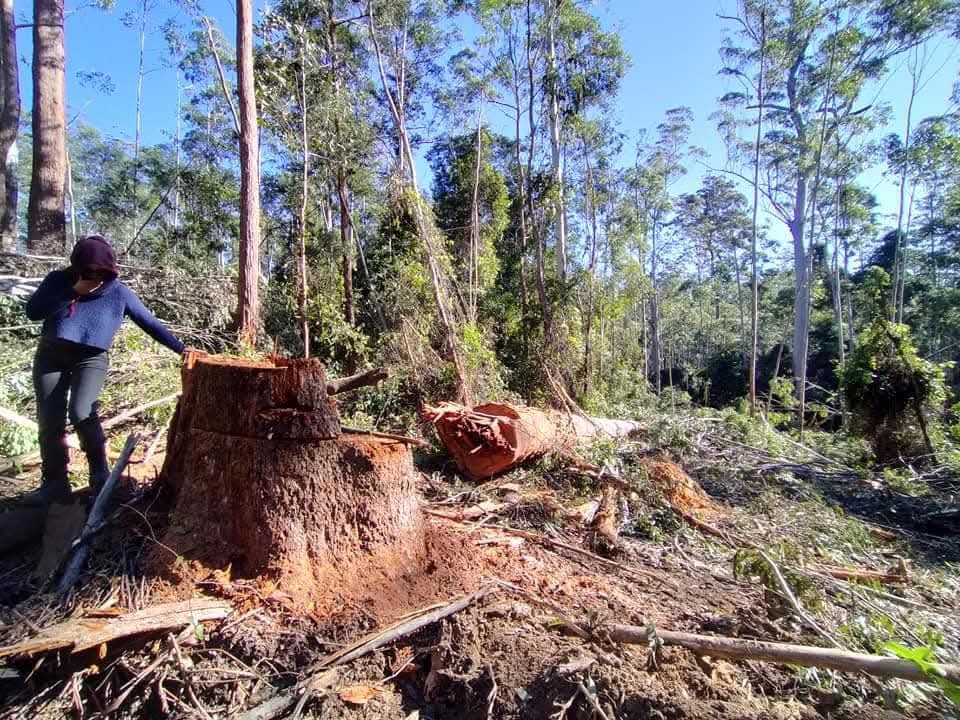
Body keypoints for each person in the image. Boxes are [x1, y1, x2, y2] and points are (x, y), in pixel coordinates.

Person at [23, 235, 187, 505]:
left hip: (91, 358)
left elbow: (149, 323)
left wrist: (182, 349)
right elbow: (33, 311)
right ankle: (54, 483)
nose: (96, 276)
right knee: (49, 419)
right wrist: (74, 291)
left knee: (82, 411)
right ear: (77, 266)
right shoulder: (58, 280)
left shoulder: (118, 292)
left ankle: (100, 475)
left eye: (101, 272)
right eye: (89, 270)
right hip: (51, 356)